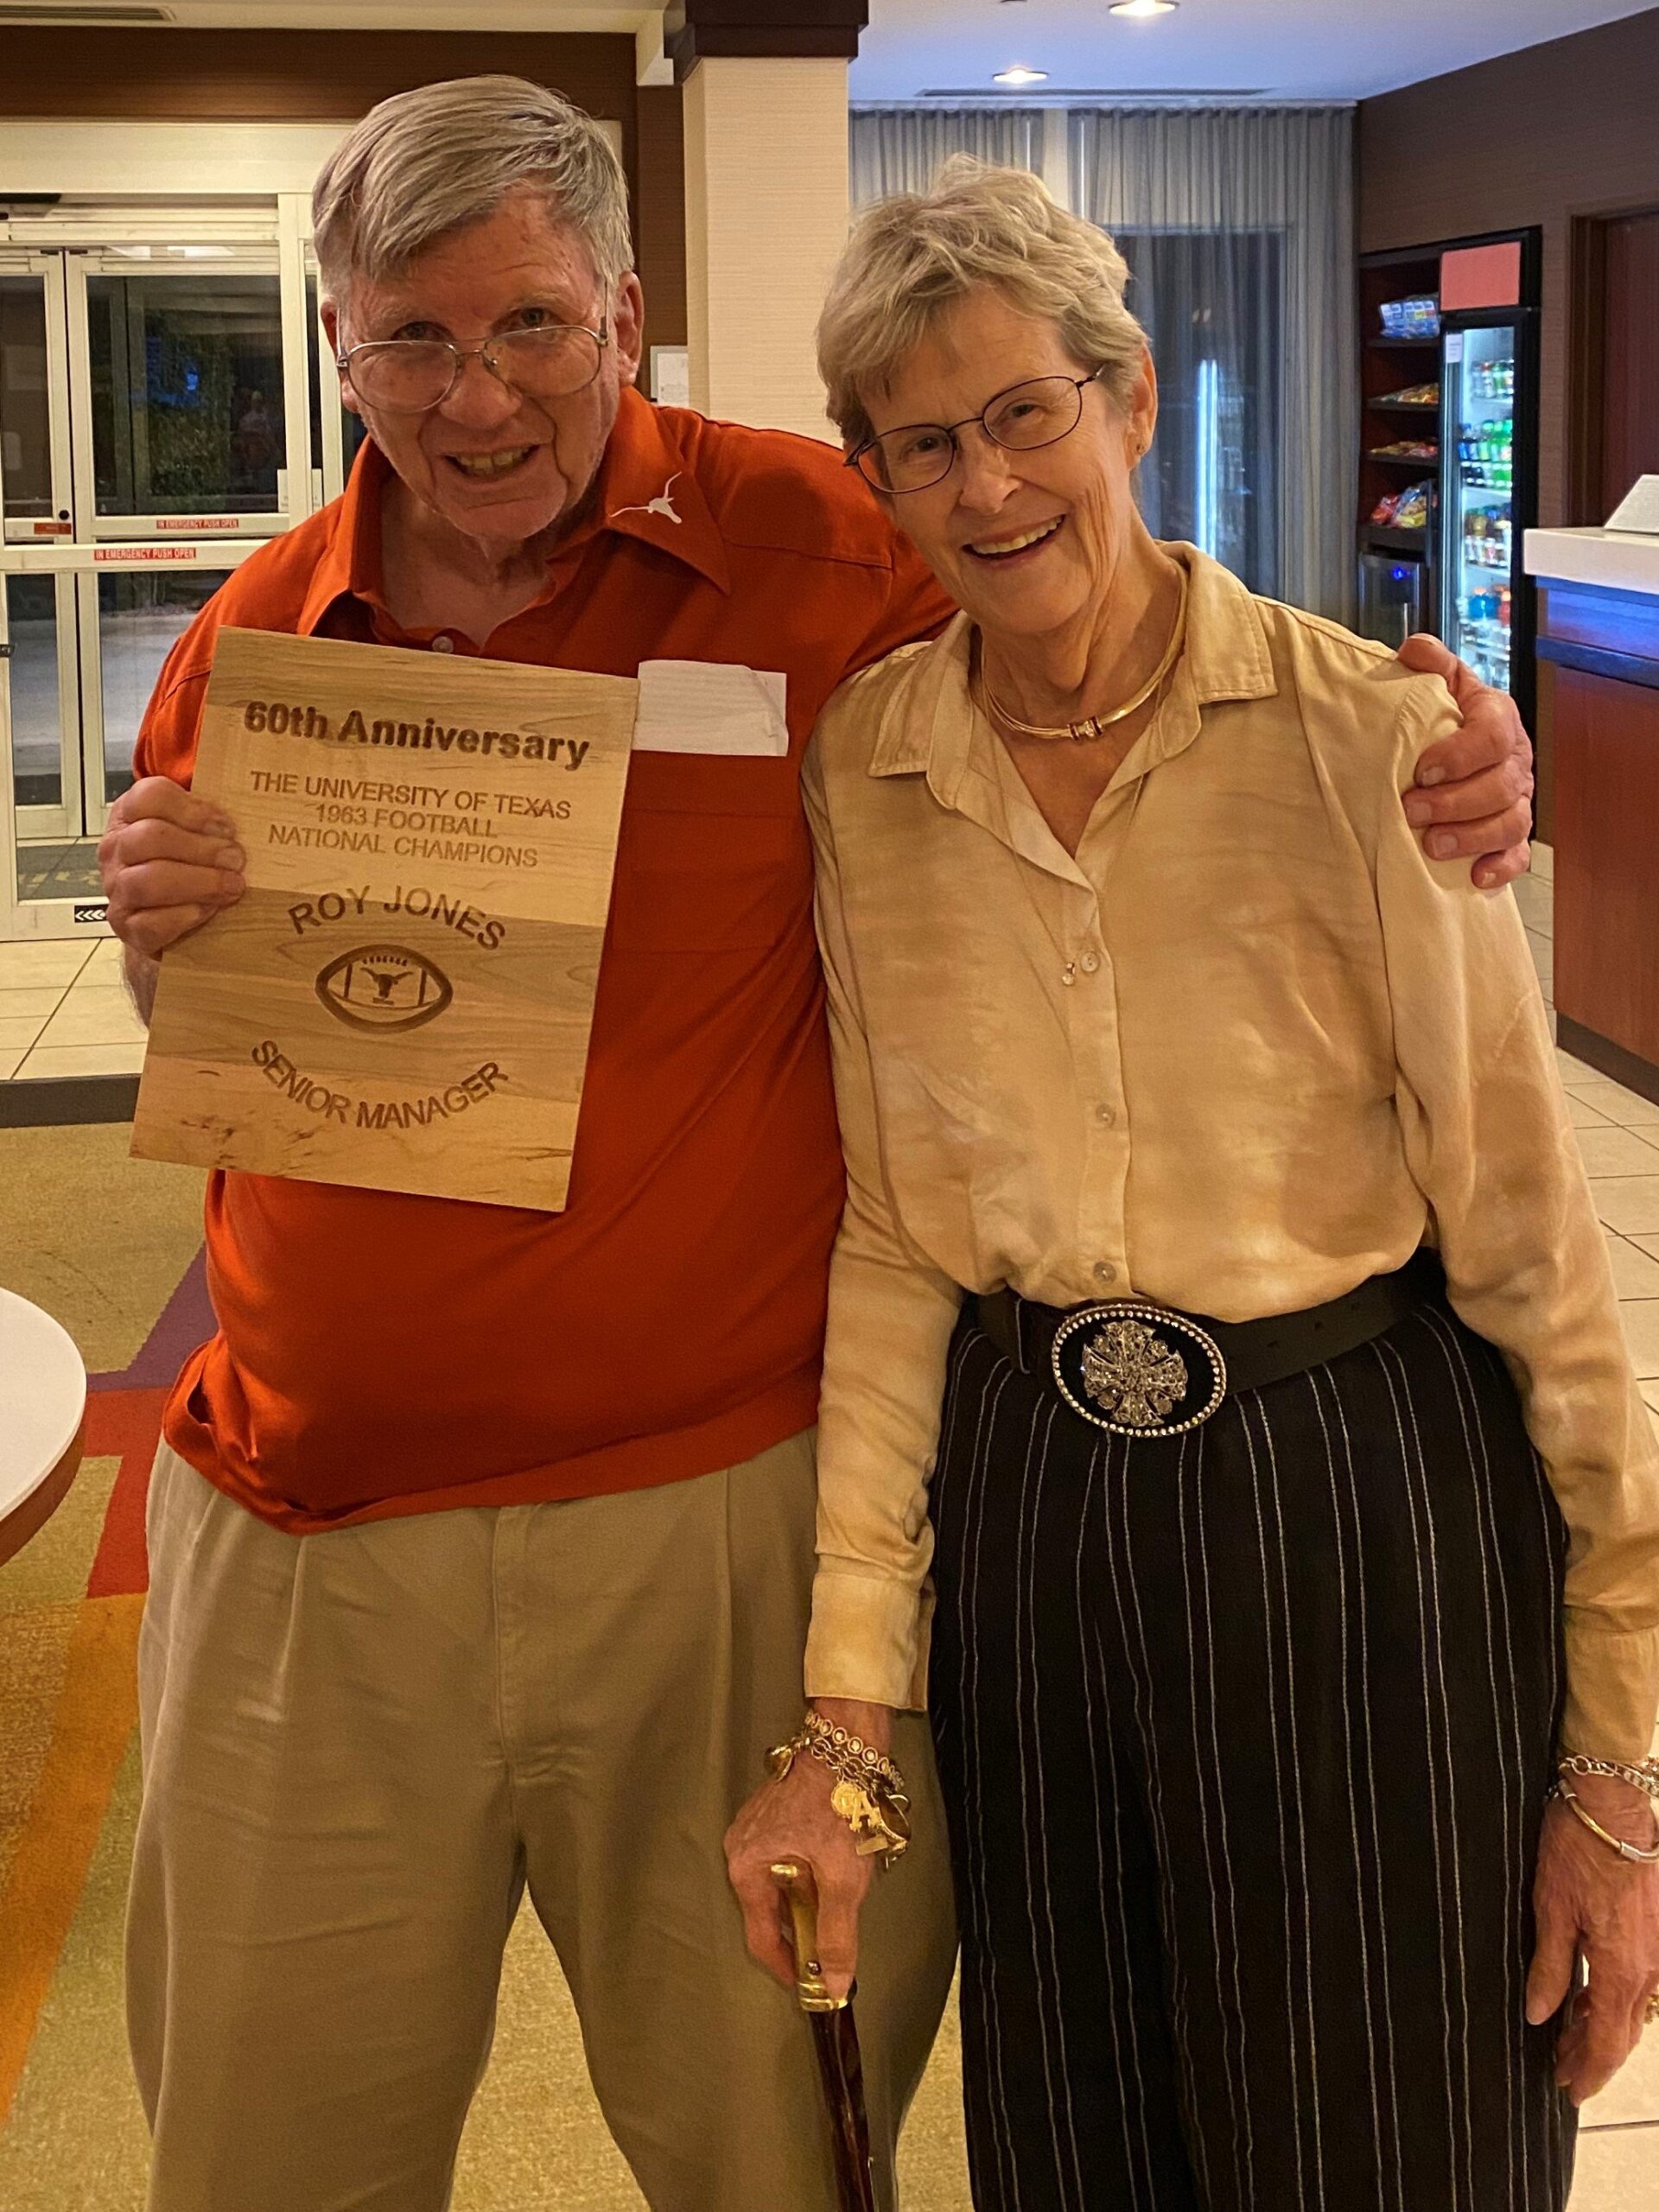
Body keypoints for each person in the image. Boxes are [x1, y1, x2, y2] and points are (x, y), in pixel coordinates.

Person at [98, 80, 1533, 2212]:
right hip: (314, 1526)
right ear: (335, 340)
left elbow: (1107, 625)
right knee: (260, 2148)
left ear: (626, 311)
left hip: (721, 1529)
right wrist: (156, 938)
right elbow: (220, 1049)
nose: (473, 395)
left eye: (529, 328)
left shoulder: (824, 546)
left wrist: (1442, 750)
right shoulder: (250, 645)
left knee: (778, 2145)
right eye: (409, 336)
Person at [727, 161, 1659, 2211]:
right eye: (926, 445)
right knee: (1086, 2137)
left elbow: (1541, 1259)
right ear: (875, 478)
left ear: (1133, 400)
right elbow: (892, 1243)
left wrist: (1618, 1772)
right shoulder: (872, 769)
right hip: (1042, 1527)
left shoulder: (1371, 743)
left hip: (1355, 1506)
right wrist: (847, 1708)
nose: (988, 486)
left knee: (1389, 2137)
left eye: (1028, 413)